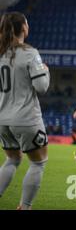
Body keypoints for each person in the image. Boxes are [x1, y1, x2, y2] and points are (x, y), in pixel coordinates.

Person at [0, 12, 50, 210]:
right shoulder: (30, 53)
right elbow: (41, 87)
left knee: (12, 159)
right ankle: (25, 207)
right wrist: (45, 71)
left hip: (2, 119)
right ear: (24, 28)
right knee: (38, 163)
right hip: (26, 118)